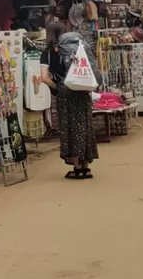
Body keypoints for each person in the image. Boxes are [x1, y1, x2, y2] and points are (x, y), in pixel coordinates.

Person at [49, 30, 98, 179]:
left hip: (67, 95)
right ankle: (86, 167)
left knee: (70, 128)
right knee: (85, 127)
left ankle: (76, 166)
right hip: (83, 93)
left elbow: (50, 76)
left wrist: (59, 88)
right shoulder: (83, 49)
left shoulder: (54, 54)